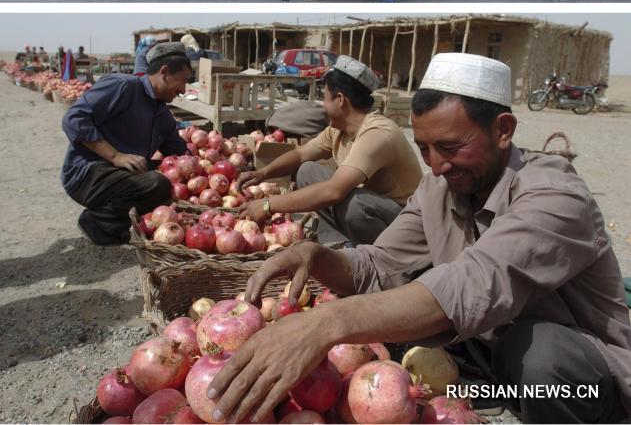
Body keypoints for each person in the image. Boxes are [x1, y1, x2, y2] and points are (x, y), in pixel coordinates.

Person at [208, 53, 631, 425]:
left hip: (583, 380)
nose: (437, 166)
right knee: (398, 329)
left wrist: (325, 323)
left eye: (451, 146)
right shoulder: (440, 187)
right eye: (424, 148)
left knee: (542, 356)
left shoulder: (555, 195)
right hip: (492, 360)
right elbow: (379, 265)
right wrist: (316, 256)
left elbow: (475, 282)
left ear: (503, 129)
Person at [239, 56, 422, 246]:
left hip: (402, 222)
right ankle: (340, 244)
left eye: (324, 98)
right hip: (374, 209)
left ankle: (378, 257)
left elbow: (334, 191)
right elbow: (301, 154)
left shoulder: (377, 133)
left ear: (340, 99)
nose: (322, 105)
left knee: (354, 205)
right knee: (307, 170)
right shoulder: (339, 129)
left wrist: (268, 205)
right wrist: (262, 174)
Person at [61, 42, 192, 246]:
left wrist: (204, 166)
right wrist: (116, 156)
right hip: (88, 173)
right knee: (157, 183)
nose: (183, 90)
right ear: (164, 72)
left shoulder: (162, 113)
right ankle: (99, 222)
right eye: (182, 81)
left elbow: (179, 150)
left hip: (118, 175)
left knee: (163, 177)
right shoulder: (123, 86)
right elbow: (74, 119)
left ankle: (114, 220)